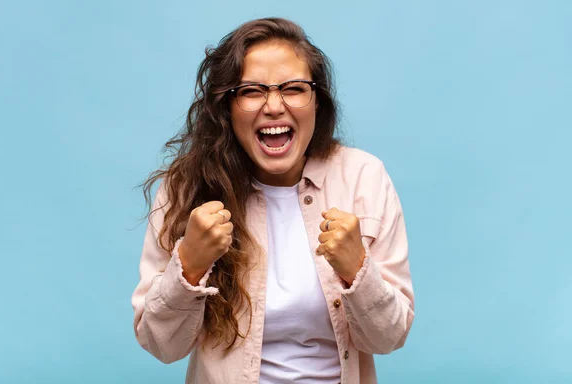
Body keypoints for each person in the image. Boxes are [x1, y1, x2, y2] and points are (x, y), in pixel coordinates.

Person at [131, 17, 414, 384]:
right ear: (227, 108)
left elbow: (389, 337)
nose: (274, 106)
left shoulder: (364, 177)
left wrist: (357, 270)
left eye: (294, 88)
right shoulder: (185, 187)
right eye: (251, 91)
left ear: (317, 101)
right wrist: (189, 265)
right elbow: (160, 345)